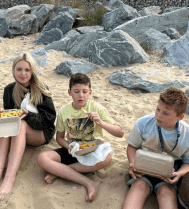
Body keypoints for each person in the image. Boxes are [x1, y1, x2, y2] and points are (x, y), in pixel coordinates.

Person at [111, 88, 189, 209]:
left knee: (167, 196)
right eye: (158, 109)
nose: (159, 114)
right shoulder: (144, 123)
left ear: (180, 117)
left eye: (165, 113)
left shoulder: (188, 134)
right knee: (138, 188)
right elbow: (132, 146)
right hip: (144, 168)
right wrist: (132, 163)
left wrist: (179, 174)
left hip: (169, 173)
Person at [0, 52, 56, 201]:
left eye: (27, 70)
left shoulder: (41, 89)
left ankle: (9, 177)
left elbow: (49, 120)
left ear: (32, 71)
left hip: (40, 132)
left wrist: (28, 115)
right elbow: (10, 114)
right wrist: (2, 113)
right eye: (19, 69)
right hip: (20, 130)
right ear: (13, 70)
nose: (23, 73)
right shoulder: (9, 90)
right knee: (4, 123)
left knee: (21, 124)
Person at [36, 73, 124, 202]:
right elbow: (60, 138)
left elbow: (120, 133)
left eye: (84, 91)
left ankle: (60, 172)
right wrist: (69, 147)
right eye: (76, 91)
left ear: (90, 92)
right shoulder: (64, 112)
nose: (81, 95)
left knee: (107, 159)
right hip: (73, 150)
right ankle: (88, 182)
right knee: (42, 158)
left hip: (93, 150)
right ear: (69, 92)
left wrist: (101, 122)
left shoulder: (96, 108)